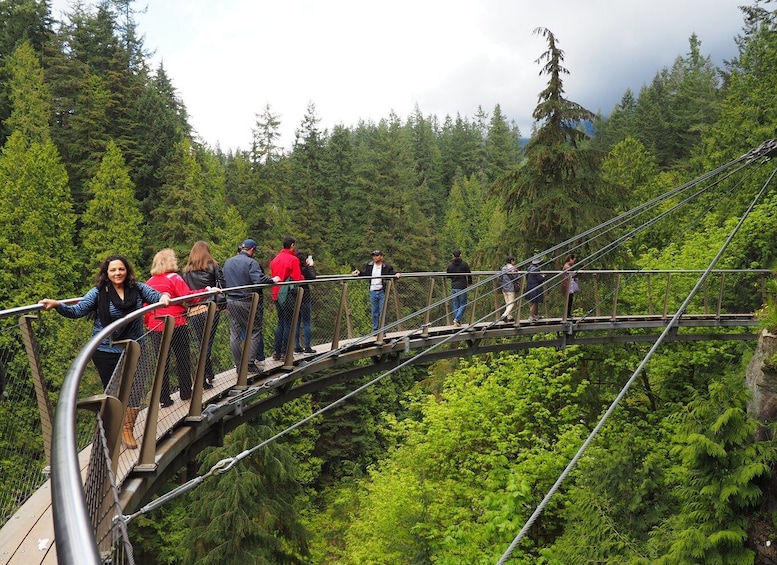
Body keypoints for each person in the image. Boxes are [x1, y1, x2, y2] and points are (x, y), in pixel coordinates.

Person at [39, 253, 171, 449]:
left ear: (127, 271)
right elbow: (78, 310)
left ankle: (127, 429)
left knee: (136, 388)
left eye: (121, 269)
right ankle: (112, 432)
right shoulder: (99, 292)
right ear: (106, 273)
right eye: (113, 270)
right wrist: (58, 305)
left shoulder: (137, 288)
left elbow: (155, 296)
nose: (118, 273)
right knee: (114, 393)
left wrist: (164, 296)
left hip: (134, 348)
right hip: (105, 350)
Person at [144, 249, 210, 408]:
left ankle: (164, 399)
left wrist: (148, 322)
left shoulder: (149, 282)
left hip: (156, 326)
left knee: (162, 362)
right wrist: (207, 291)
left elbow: (145, 306)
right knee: (182, 358)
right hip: (176, 323)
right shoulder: (174, 278)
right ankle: (186, 392)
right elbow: (190, 297)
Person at [222, 239, 280, 371]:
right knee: (254, 330)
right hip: (247, 301)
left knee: (235, 334)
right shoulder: (251, 262)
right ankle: (249, 364)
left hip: (231, 300)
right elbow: (258, 279)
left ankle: (238, 365)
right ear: (252, 249)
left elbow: (223, 280)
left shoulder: (228, 262)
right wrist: (272, 280)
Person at [182, 241, 225, 389]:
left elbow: (186, 292)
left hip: (193, 310)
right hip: (210, 308)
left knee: (201, 343)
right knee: (207, 344)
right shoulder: (213, 265)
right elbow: (221, 285)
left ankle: (208, 373)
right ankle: (203, 377)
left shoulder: (186, 271)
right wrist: (223, 304)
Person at [269, 236, 305, 360]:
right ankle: (285, 353)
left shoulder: (275, 260)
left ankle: (276, 352)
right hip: (287, 295)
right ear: (292, 245)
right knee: (288, 323)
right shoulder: (293, 259)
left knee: (280, 322)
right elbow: (297, 278)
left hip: (276, 294)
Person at [352, 250, 401, 332]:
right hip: (373, 291)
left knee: (383, 311)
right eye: (374, 255)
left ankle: (383, 330)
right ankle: (375, 330)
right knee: (374, 312)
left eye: (377, 255)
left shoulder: (386, 266)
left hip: (382, 291)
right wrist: (359, 272)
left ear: (381, 257)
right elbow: (366, 274)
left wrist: (397, 274)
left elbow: (391, 273)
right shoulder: (370, 265)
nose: (375, 257)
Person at [294, 251, 317, 353]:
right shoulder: (305, 269)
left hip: (294, 296)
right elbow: (312, 276)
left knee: (296, 322)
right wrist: (311, 266)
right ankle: (307, 346)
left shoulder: (295, 268)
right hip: (305, 296)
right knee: (306, 322)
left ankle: (297, 346)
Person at [446, 249, 472, 328]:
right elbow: (469, 274)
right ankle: (457, 319)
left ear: (453, 256)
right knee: (463, 304)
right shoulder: (464, 264)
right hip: (462, 286)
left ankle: (457, 321)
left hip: (454, 286)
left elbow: (448, 276)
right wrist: (470, 282)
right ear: (460, 255)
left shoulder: (450, 265)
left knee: (455, 304)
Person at [499, 255, 520, 322]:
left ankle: (509, 317)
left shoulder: (503, 268)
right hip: (510, 288)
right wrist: (517, 272)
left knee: (507, 303)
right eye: (514, 260)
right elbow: (516, 277)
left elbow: (500, 278)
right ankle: (504, 315)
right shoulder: (512, 268)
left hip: (504, 288)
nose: (515, 262)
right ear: (511, 261)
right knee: (511, 303)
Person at [526, 257, 545, 321]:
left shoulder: (529, 268)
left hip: (530, 286)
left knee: (534, 301)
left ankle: (536, 315)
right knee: (535, 302)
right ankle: (531, 316)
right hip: (535, 287)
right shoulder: (536, 269)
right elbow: (539, 279)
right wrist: (543, 276)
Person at [561, 253, 579, 319]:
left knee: (569, 300)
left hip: (567, 285)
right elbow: (572, 275)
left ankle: (568, 314)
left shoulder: (567, 266)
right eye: (573, 260)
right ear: (570, 259)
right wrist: (579, 273)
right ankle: (567, 315)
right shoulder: (567, 267)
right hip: (567, 286)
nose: (574, 261)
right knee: (569, 300)